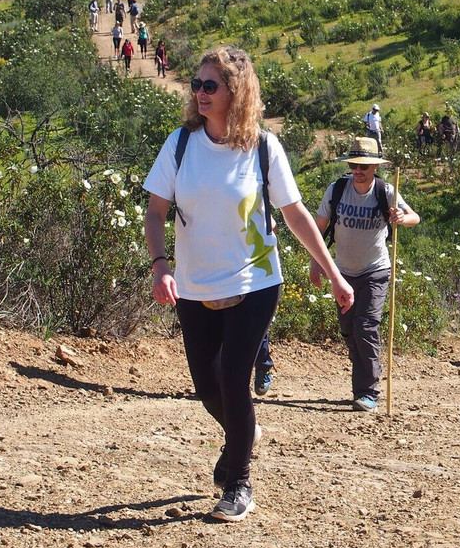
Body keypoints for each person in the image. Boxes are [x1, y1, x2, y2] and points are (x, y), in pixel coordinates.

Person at [144, 46, 354, 523]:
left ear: (235, 92)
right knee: (206, 386)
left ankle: (237, 482)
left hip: (255, 281)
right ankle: (245, 433)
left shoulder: (263, 147)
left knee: (236, 381)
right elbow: (156, 212)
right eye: (196, 85)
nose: (199, 93)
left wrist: (335, 273)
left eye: (210, 85)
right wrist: (161, 266)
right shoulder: (179, 144)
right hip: (194, 285)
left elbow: (295, 214)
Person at [311, 137, 419, 411]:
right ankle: (364, 372)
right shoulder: (336, 190)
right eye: (353, 165)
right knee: (349, 331)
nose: (357, 170)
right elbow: (317, 227)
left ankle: (367, 391)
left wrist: (400, 219)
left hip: (375, 271)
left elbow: (414, 217)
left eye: (363, 166)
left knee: (366, 327)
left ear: (375, 168)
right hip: (342, 273)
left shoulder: (387, 191)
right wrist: (316, 263)